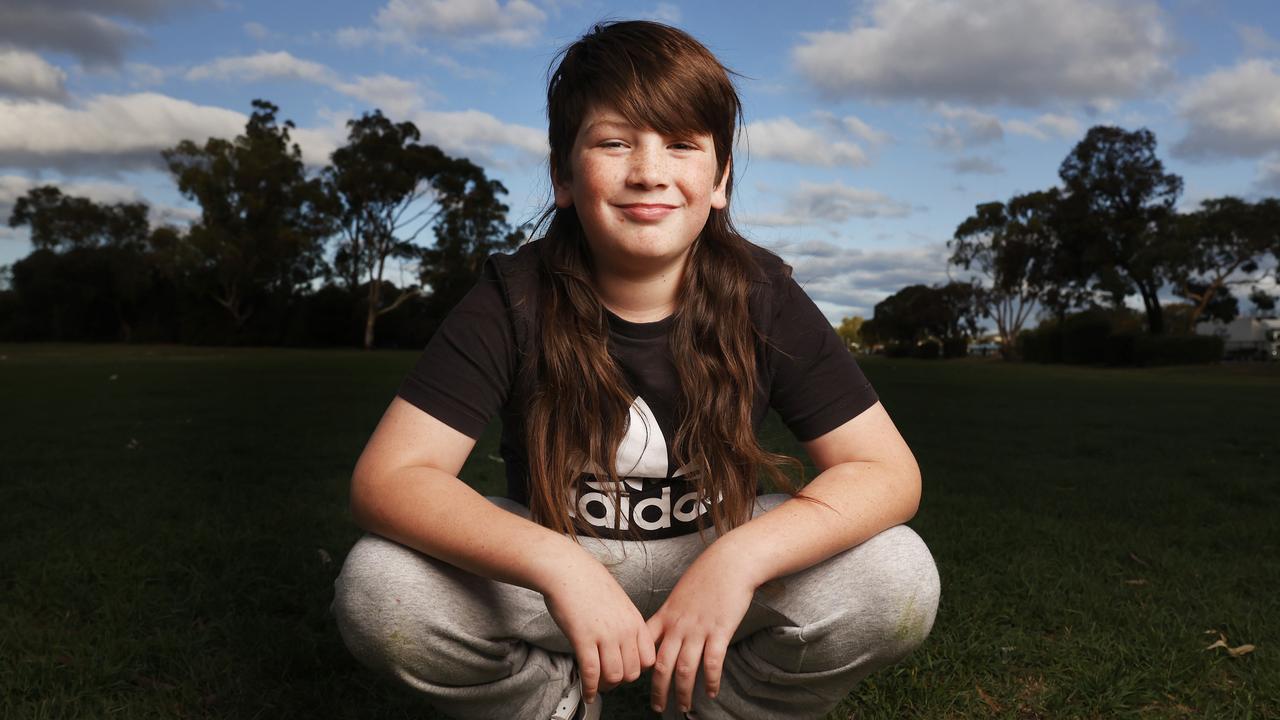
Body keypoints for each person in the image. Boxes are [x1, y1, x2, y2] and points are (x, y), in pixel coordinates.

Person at [332, 20, 939, 720]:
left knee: (897, 574)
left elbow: (888, 472)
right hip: (558, 568)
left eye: (681, 145)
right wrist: (556, 565)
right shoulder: (512, 295)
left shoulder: (761, 293)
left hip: (713, 562)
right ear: (563, 175)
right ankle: (556, 706)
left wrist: (739, 561)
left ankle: (714, 706)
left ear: (719, 180)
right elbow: (388, 479)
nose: (649, 171)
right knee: (382, 587)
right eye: (614, 141)